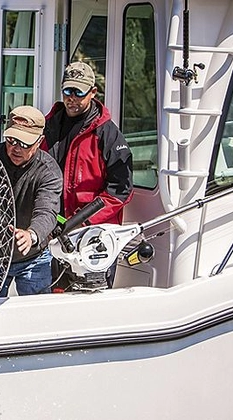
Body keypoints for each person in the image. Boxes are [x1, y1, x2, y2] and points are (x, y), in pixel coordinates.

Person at [42, 61, 133, 290]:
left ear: (92, 93)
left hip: (93, 235)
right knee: (56, 295)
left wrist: (85, 220)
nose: (72, 98)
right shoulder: (49, 125)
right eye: (67, 91)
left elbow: (121, 190)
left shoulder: (108, 134)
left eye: (79, 92)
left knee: (93, 299)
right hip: (55, 229)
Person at [0, 105, 62, 296]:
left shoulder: (48, 171)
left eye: (24, 143)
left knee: (38, 318)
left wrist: (31, 234)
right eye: (11, 140)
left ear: (39, 141)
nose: (16, 148)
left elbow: (47, 211)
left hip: (34, 257)